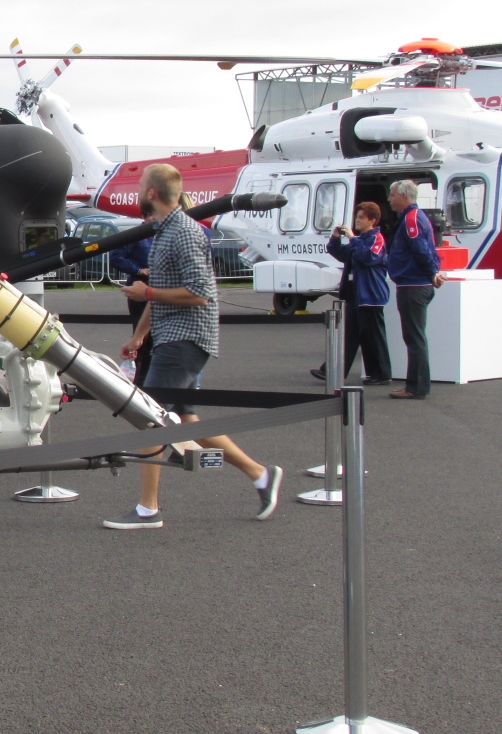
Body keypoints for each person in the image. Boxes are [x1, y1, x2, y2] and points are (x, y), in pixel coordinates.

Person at [107, 164, 284, 529]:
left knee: (149, 417)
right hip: (174, 335)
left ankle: (148, 510)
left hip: (186, 336)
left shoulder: (184, 232)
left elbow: (199, 294)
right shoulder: (165, 231)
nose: (137, 191)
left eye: (140, 186)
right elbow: (161, 291)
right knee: (185, 421)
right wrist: (139, 336)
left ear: (152, 193)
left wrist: (146, 293)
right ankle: (261, 475)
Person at [312, 201, 392, 385]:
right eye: (356, 217)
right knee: (351, 335)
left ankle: (382, 373)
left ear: (372, 220)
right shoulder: (360, 241)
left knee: (373, 336)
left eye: (361, 217)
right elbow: (341, 253)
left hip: (371, 295)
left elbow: (369, 257)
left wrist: (352, 238)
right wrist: (335, 238)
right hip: (356, 294)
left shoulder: (376, 238)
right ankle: (333, 370)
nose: (357, 220)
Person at [385, 180, 444, 400]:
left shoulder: (411, 219)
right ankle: (416, 385)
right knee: (415, 336)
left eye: (392, 195)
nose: (389, 199)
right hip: (414, 283)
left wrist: (431, 273)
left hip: (413, 285)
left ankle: (416, 387)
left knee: (414, 337)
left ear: (403, 196)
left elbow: (421, 250)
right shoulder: (416, 217)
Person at [107, 201, 155, 383]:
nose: (153, 219)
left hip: (159, 288)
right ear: (144, 217)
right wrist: (138, 270)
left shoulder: (165, 235)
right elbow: (116, 257)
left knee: (158, 339)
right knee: (142, 337)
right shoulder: (136, 235)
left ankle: (151, 378)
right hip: (139, 291)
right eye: (150, 215)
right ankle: (140, 379)